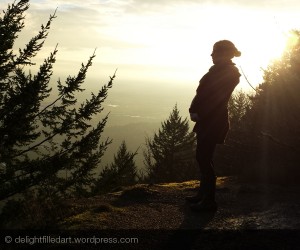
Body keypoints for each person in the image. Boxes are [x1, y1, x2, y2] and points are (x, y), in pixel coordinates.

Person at [186, 40, 241, 211]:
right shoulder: (220, 71)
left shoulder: (228, 73)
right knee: (203, 156)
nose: (212, 55)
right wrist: (194, 110)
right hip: (209, 120)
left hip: (213, 121)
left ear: (225, 54)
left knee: (203, 157)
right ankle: (203, 195)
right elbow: (204, 94)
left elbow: (215, 99)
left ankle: (209, 201)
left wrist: (199, 113)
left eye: (215, 52)